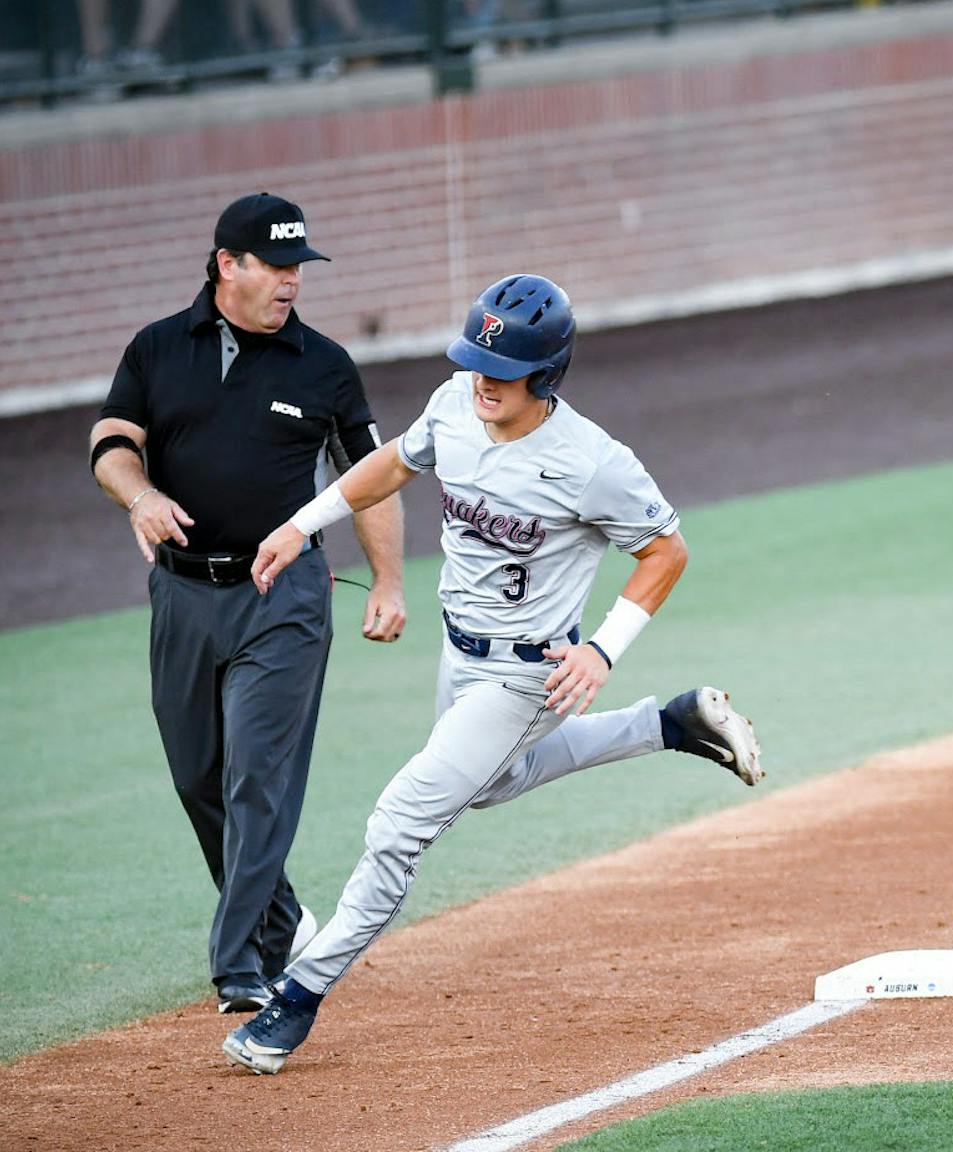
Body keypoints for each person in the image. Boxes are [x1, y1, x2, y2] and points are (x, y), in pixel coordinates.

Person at [222, 273, 763, 1075]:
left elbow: (665, 549)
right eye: (474, 358)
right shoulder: (454, 405)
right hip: (457, 654)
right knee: (489, 787)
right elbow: (393, 465)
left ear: (545, 375)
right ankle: (669, 722)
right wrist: (305, 524)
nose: (481, 378)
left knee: (399, 822)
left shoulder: (592, 462)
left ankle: (296, 1000)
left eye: (500, 369)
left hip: (527, 678)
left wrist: (602, 649)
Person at [88, 192, 406, 1015]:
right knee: (198, 776)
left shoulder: (325, 365)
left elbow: (371, 478)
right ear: (227, 264)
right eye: (276, 265)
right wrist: (139, 498)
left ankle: (240, 968)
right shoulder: (158, 348)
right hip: (184, 595)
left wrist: (392, 583)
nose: (292, 282)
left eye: (300, 267)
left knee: (255, 778)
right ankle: (281, 919)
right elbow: (111, 442)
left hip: (285, 596)